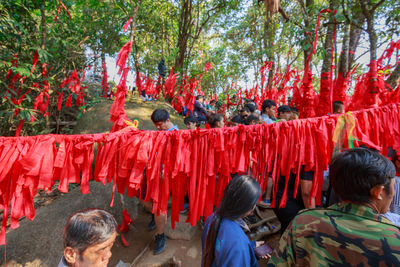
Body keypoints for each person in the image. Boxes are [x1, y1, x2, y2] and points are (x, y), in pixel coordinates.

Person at [267, 148, 400, 266]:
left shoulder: (303, 222)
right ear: (378, 192)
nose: (394, 193)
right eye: (393, 186)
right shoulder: (394, 238)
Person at [202, 175, 264, 267]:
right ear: (248, 208)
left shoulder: (212, 218)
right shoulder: (238, 244)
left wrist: (249, 248)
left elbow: (219, 250)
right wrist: (244, 250)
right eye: (254, 203)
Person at [141, 109, 178, 255]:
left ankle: (160, 235)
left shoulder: (178, 134)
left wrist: (167, 170)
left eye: (160, 124)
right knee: (142, 197)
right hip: (152, 172)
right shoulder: (159, 133)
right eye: (155, 125)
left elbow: (179, 158)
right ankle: (153, 216)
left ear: (168, 120)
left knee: (160, 205)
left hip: (166, 176)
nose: (157, 127)